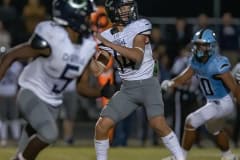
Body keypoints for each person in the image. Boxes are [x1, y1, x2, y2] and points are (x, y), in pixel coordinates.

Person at [0, 0, 112, 159]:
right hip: (31, 93)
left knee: (25, 152)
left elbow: (82, 87)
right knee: (49, 134)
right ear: (73, 17)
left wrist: (101, 91)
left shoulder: (87, 46)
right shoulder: (53, 38)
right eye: (86, 16)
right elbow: (10, 55)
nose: (89, 20)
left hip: (53, 104)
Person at [94, 0, 185, 160]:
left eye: (129, 6)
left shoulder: (140, 25)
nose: (128, 10)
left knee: (158, 124)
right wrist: (90, 48)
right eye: (123, 7)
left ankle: (180, 158)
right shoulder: (107, 35)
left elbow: (137, 56)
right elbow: (97, 69)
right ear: (113, 10)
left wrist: (110, 44)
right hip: (127, 89)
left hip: (148, 84)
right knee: (102, 126)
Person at [161, 29, 240, 160]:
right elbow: (185, 76)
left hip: (223, 102)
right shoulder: (195, 61)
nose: (199, 48)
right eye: (197, 44)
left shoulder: (218, 63)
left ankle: (180, 157)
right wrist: (171, 83)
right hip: (212, 102)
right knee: (214, 129)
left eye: (202, 44)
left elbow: (234, 88)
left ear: (211, 46)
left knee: (191, 121)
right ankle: (228, 156)